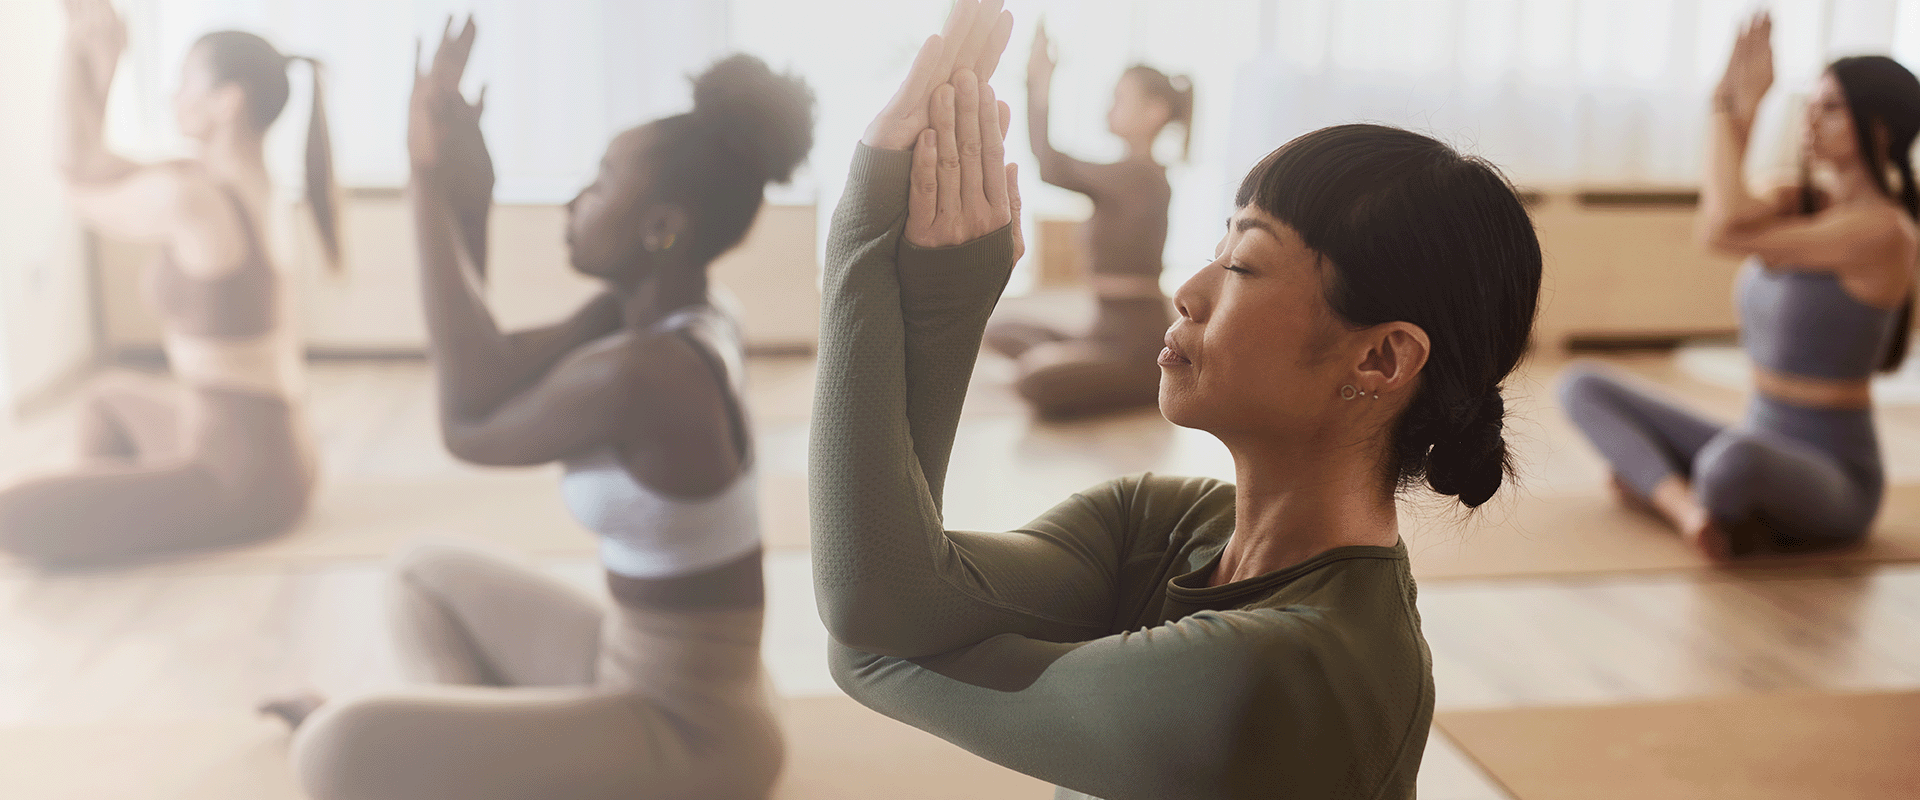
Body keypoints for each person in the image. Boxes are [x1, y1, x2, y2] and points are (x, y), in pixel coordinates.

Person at [809, 2, 1542, 798]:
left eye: (1245, 267)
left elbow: (872, 632)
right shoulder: (1166, 526)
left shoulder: (1280, 671)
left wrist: (874, 244)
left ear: (1381, 357)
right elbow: (885, 597)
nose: (1189, 292)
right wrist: (942, 294)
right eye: (1215, 249)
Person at [285, 20, 812, 800]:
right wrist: (471, 200)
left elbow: (465, 424)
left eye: (599, 183)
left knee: (332, 750)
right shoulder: (668, 312)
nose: (574, 199)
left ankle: (445, 755)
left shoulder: (645, 373)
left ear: (661, 228)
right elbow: (489, 367)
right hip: (628, 665)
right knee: (420, 573)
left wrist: (425, 181)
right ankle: (466, 755)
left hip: (693, 731)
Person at [1559, 12, 1919, 559]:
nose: (1809, 118)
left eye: (1830, 108)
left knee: (1732, 464)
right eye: (1810, 103)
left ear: (1879, 128)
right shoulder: (1799, 200)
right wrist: (1738, 110)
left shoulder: (1883, 231)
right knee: (1582, 385)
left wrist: (1723, 108)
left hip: (1836, 475)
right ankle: (1690, 509)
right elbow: (1720, 220)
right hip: (1756, 434)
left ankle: (1664, 487)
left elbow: (1724, 229)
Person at [0, 0, 333, 566]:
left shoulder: (193, 201)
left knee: (9, 516)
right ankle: (110, 515)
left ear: (227, 102)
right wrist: (97, 73)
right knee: (105, 399)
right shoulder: (248, 184)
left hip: (234, 476)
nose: (172, 96)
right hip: (281, 458)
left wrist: (75, 48)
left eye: (184, 83)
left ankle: (108, 517)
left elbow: (75, 178)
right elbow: (93, 160)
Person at [982, 23, 1194, 419]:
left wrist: (1039, 83)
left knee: (1036, 379)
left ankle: (1137, 383)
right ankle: (1078, 367)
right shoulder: (1127, 174)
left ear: (1154, 112)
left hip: (1134, 344)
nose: (1108, 107)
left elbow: (1051, 164)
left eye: (1120, 99)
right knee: (1000, 329)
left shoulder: (1143, 175)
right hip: (1100, 331)